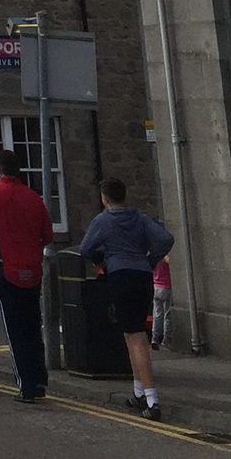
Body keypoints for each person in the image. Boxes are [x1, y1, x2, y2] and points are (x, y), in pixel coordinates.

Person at [78, 176, 174, 419]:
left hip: (121, 277)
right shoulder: (139, 218)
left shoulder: (103, 220)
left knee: (136, 337)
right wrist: (150, 260)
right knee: (132, 333)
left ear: (104, 198)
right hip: (143, 277)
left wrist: (101, 259)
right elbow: (165, 239)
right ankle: (139, 392)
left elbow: (85, 248)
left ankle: (152, 401)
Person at [0, 147, 54, 401]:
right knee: (32, 325)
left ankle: (26, 385)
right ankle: (39, 380)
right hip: (33, 268)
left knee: (14, 327)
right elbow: (47, 234)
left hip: (6, 266)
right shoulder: (33, 198)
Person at [151, 254, 173, 352]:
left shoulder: (152, 257)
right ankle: (166, 339)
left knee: (157, 314)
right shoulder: (164, 256)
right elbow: (169, 262)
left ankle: (155, 338)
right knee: (167, 314)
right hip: (166, 287)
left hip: (155, 287)